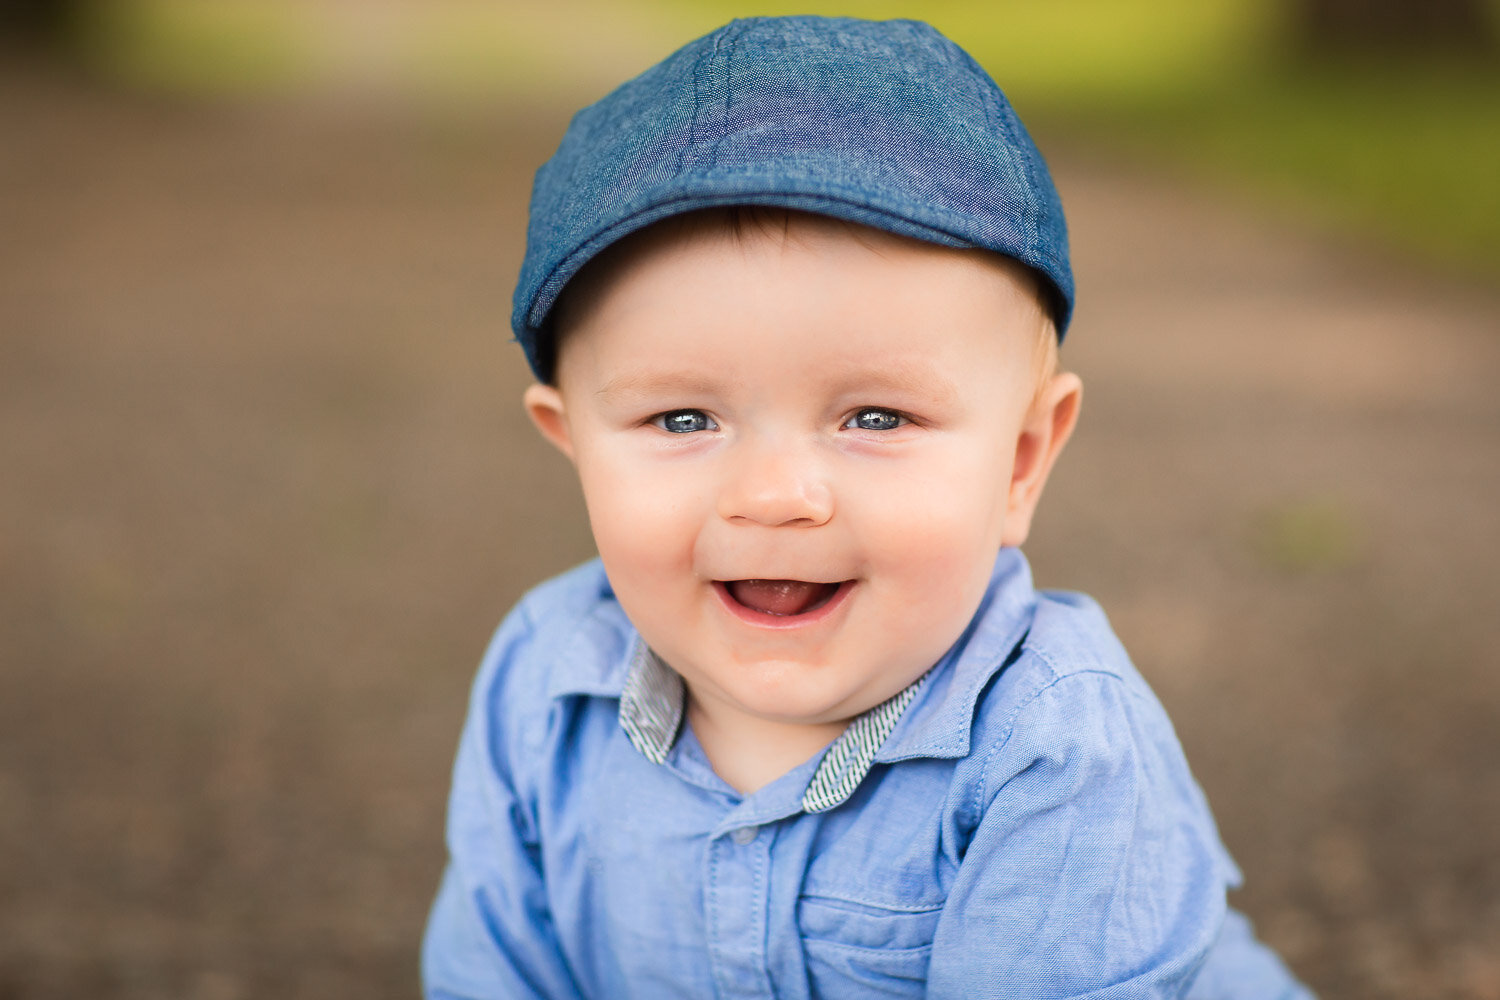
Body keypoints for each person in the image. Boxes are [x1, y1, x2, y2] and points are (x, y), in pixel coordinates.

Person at [422, 16, 1314, 998]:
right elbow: (493, 969)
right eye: (683, 416)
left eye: (875, 416)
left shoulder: (1053, 747)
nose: (773, 497)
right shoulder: (543, 687)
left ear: (1020, 461)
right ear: (574, 446)